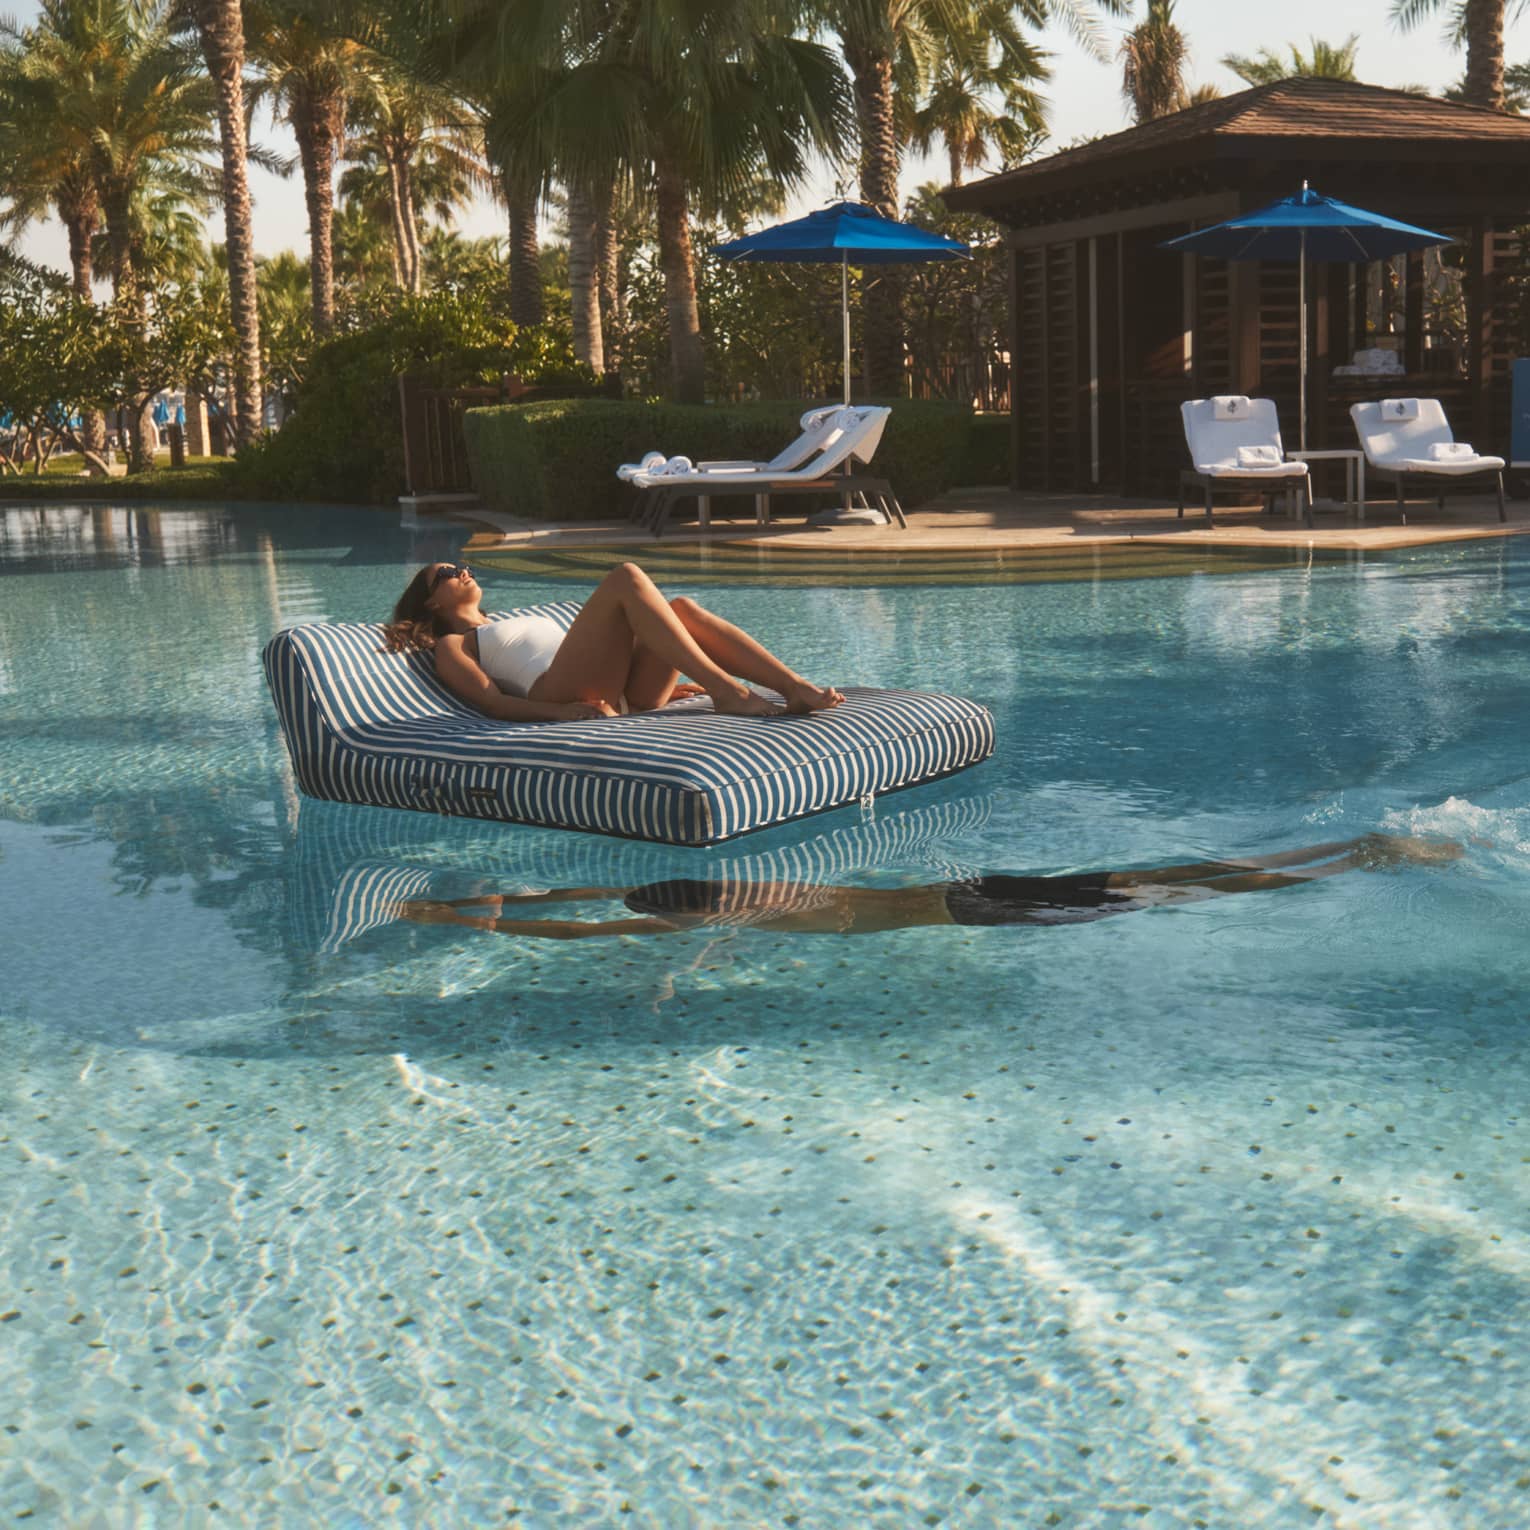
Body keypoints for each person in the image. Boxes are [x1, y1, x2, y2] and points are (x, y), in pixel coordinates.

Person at [398, 833, 1464, 941]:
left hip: (977, 908)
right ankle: (1343, 851)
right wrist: (483, 907)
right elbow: (588, 906)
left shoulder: (711, 921)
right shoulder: (737, 883)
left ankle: (1352, 859)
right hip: (976, 880)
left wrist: (481, 922)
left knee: (1177, 892)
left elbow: (590, 928)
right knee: (1168, 876)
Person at [383, 560, 845, 722]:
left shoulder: (503, 620)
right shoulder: (453, 646)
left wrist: (664, 681)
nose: (462, 571)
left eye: (462, 566)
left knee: (681, 607)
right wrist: (558, 713)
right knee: (625, 576)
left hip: (617, 695)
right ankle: (728, 691)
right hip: (562, 694)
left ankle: (792, 686)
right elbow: (494, 705)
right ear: (431, 604)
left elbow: (601, 653)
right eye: (446, 572)